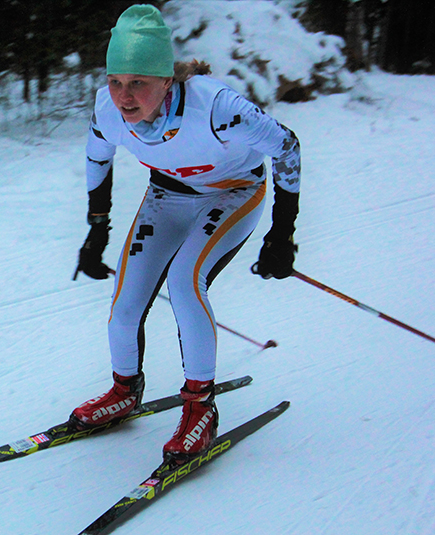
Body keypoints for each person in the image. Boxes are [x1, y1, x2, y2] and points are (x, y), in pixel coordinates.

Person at [70, 4, 300, 465]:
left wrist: (281, 233)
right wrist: (97, 229)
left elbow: (287, 146)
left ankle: (201, 407)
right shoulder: (107, 109)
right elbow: (98, 158)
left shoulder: (217, 107)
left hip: (233, 192)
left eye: (138, 83)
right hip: (168, 195)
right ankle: (124, 390)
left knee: (184, 281)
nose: (124, 96)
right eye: (115, 81)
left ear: (166, 81)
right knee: (126, 299)